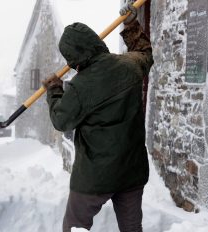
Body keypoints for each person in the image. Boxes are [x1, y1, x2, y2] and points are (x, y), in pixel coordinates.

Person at [42, 2, 153, 232]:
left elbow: (61, 121)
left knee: (75, 227)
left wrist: (54, 90)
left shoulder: (78, 88)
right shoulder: (130, 65)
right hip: (131, 171)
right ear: (96, 41)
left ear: (73, 59)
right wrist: (131, 25)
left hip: (94, 179)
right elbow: (144, 54)